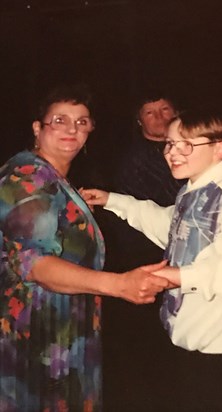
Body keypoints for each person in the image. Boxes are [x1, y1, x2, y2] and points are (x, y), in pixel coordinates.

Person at [82, 109, 222, 410]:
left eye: (187, 145)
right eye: (169, 144)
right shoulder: (193, 190)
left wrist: (183, 276)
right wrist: (113, 201)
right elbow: (171, 226)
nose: (173, 153)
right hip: (204, 350)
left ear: (220, 148)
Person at [0, 84, 168, 412]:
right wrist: (119, 284)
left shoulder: (53, 178)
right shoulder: (27, 177)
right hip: (36, 337)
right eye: (59, 120)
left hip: (63, 333)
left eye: (82, 122)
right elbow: (35, 265)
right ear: (38, 128)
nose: (71, 129)